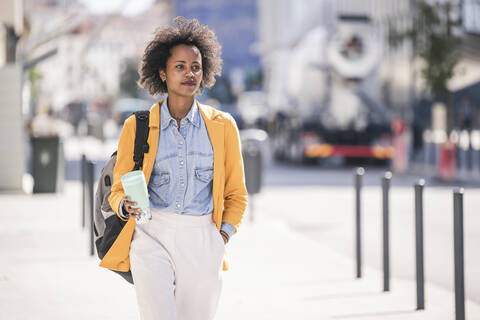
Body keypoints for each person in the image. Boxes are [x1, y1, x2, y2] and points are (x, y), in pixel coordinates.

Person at [101, 17, 248, 320]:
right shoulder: (137, 126)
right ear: (162, 73)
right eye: (179, 66)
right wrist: (125, 205)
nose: (189, 73)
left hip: (203, 240)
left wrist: (220, 239)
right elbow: (117, 190)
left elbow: (237, 194)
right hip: (151, 235)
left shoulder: (223, 127)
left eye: (195, 67)